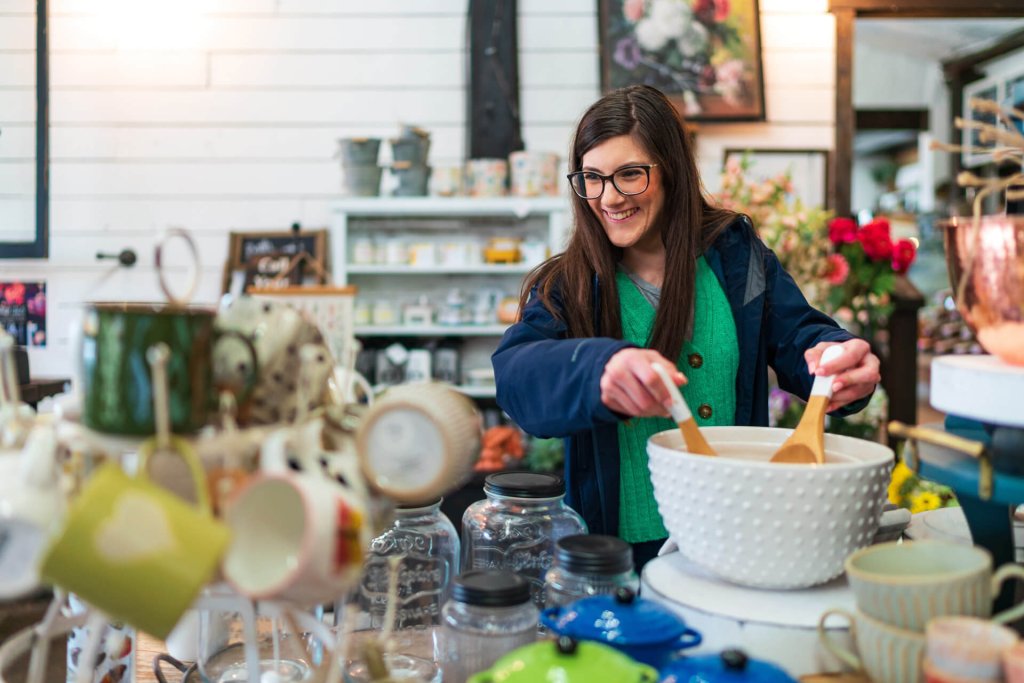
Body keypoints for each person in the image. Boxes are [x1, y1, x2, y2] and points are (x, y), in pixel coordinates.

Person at [491, 85, 881, 571]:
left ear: (671, 169)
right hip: (619, 558)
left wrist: (839, 359)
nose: (609, 198)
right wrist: (599, 371)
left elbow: (799, 335)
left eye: (630, 174)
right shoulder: (568, 286)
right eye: (592, 178)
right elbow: (515, 376)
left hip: (737, 534)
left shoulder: (738, 257)